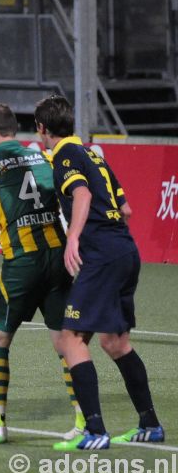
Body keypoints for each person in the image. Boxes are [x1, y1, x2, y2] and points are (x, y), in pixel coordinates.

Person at [0, 102, 83, 444]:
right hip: (58, 259)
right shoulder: (44, 157)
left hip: (22, 264)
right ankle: (84, 420)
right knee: (67, 344)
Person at [34, 94, 164, 450]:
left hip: (103, 256)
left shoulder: (64, 156)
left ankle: (94, 431)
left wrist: (75, 235)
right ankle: (150, 424)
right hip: (126, 251)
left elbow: (82, 194)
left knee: (71, 340)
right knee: (115, 342)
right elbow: (126, 208)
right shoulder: (94, 154)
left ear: (42, 129)